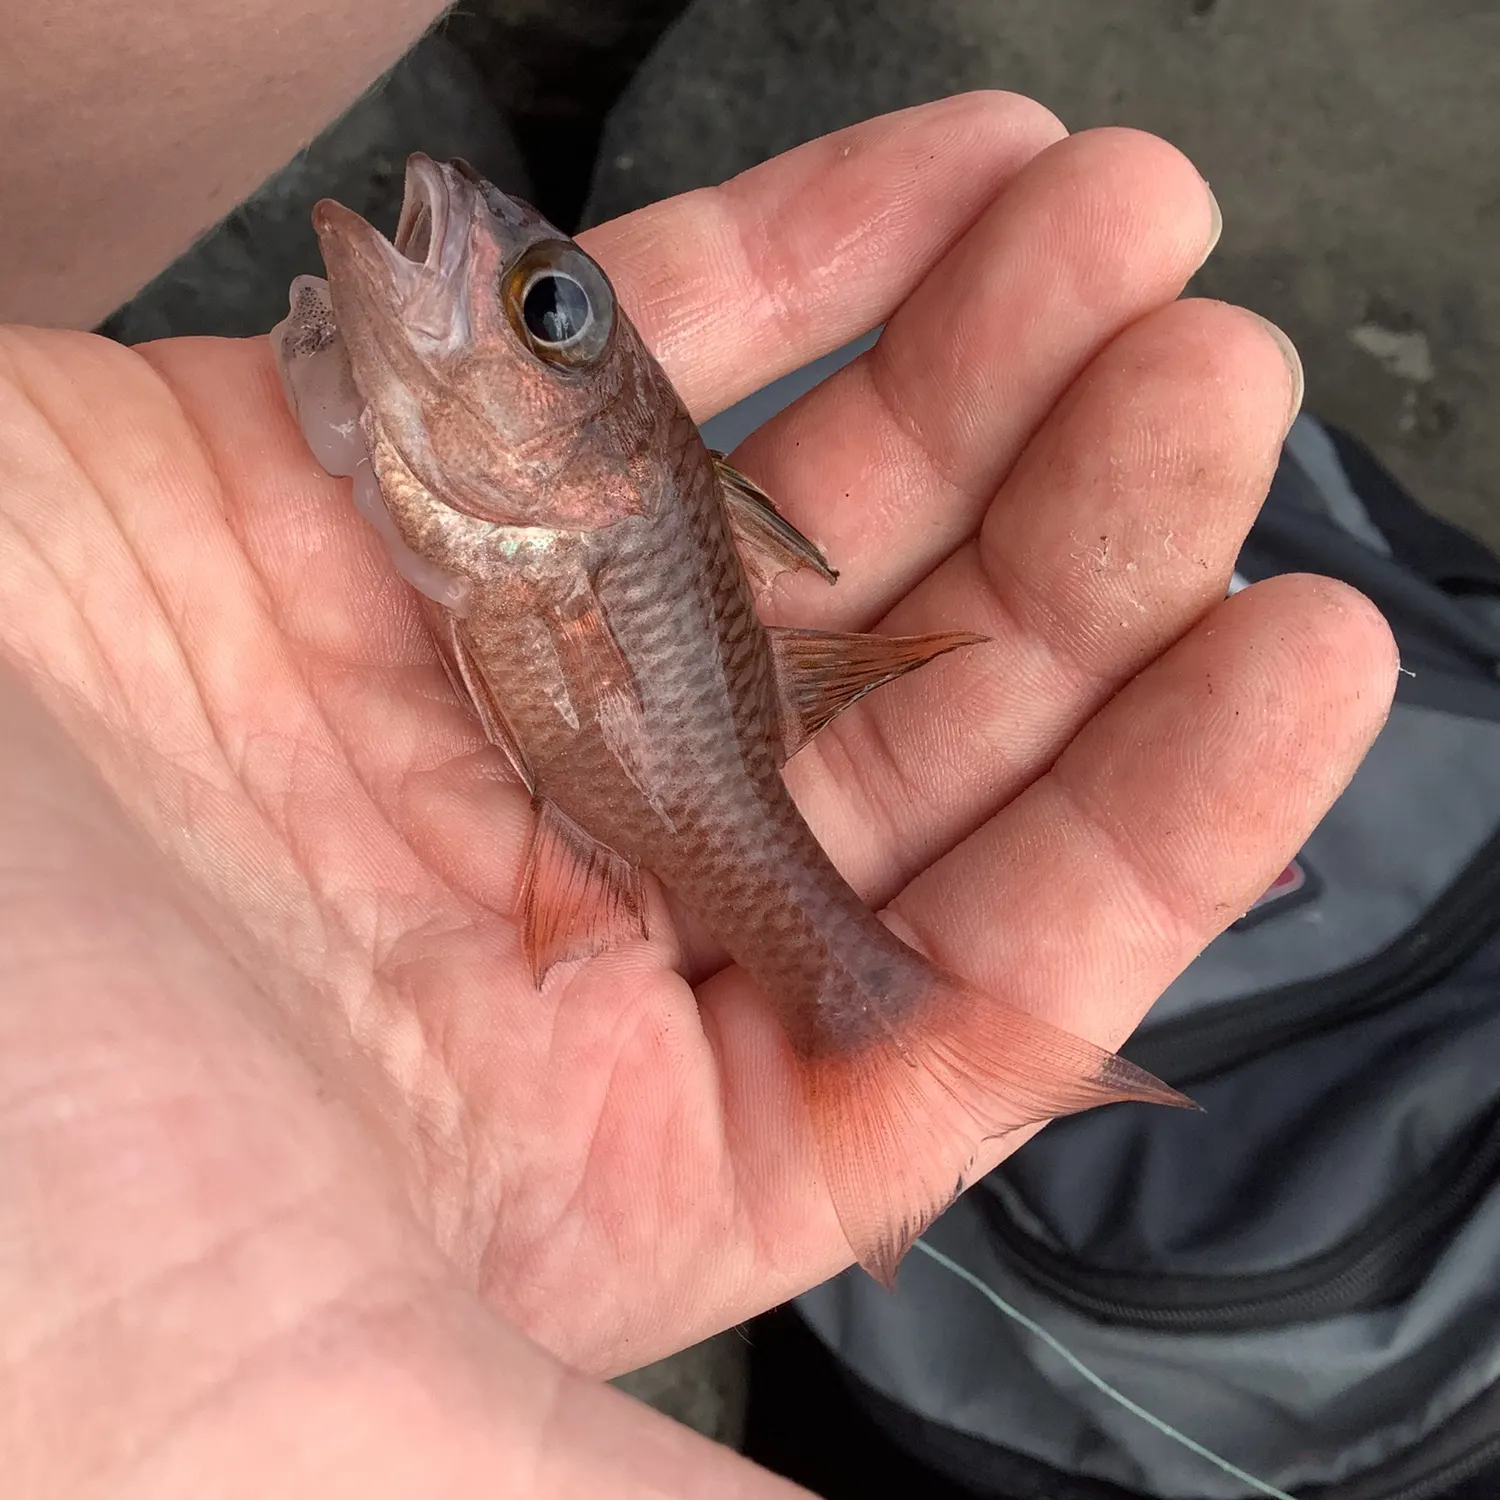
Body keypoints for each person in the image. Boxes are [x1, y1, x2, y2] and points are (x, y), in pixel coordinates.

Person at [0, 63, 1394, 1497]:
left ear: (597, 465)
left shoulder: (562, 515)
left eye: (546, 314)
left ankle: (882, 1056)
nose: (497, 277)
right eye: (554, 311)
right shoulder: (541, 502)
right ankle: (890, 1073)